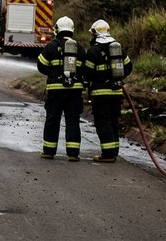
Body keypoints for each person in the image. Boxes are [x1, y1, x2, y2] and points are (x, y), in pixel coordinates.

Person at [83, 19, 133, 163]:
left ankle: (107, 154)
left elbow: (87, 72)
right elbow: (129, 67)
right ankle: (114, 151)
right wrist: (117, 78)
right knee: (113, 122)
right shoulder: (117, 49)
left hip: (101, 94)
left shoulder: (94, 51)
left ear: (95, 33)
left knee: (103, 122)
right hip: (116, 93)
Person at [37, 16, 86, 162]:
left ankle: (49, 151)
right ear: (72, 30)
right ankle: (73, 154)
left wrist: (53, 73)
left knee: (52, 120)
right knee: (73, 121)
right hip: (75, 92)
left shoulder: (51, 46)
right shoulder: (80, 48)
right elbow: (85, 68)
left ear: (57, 30)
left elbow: (41, 66)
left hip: (55, 91)